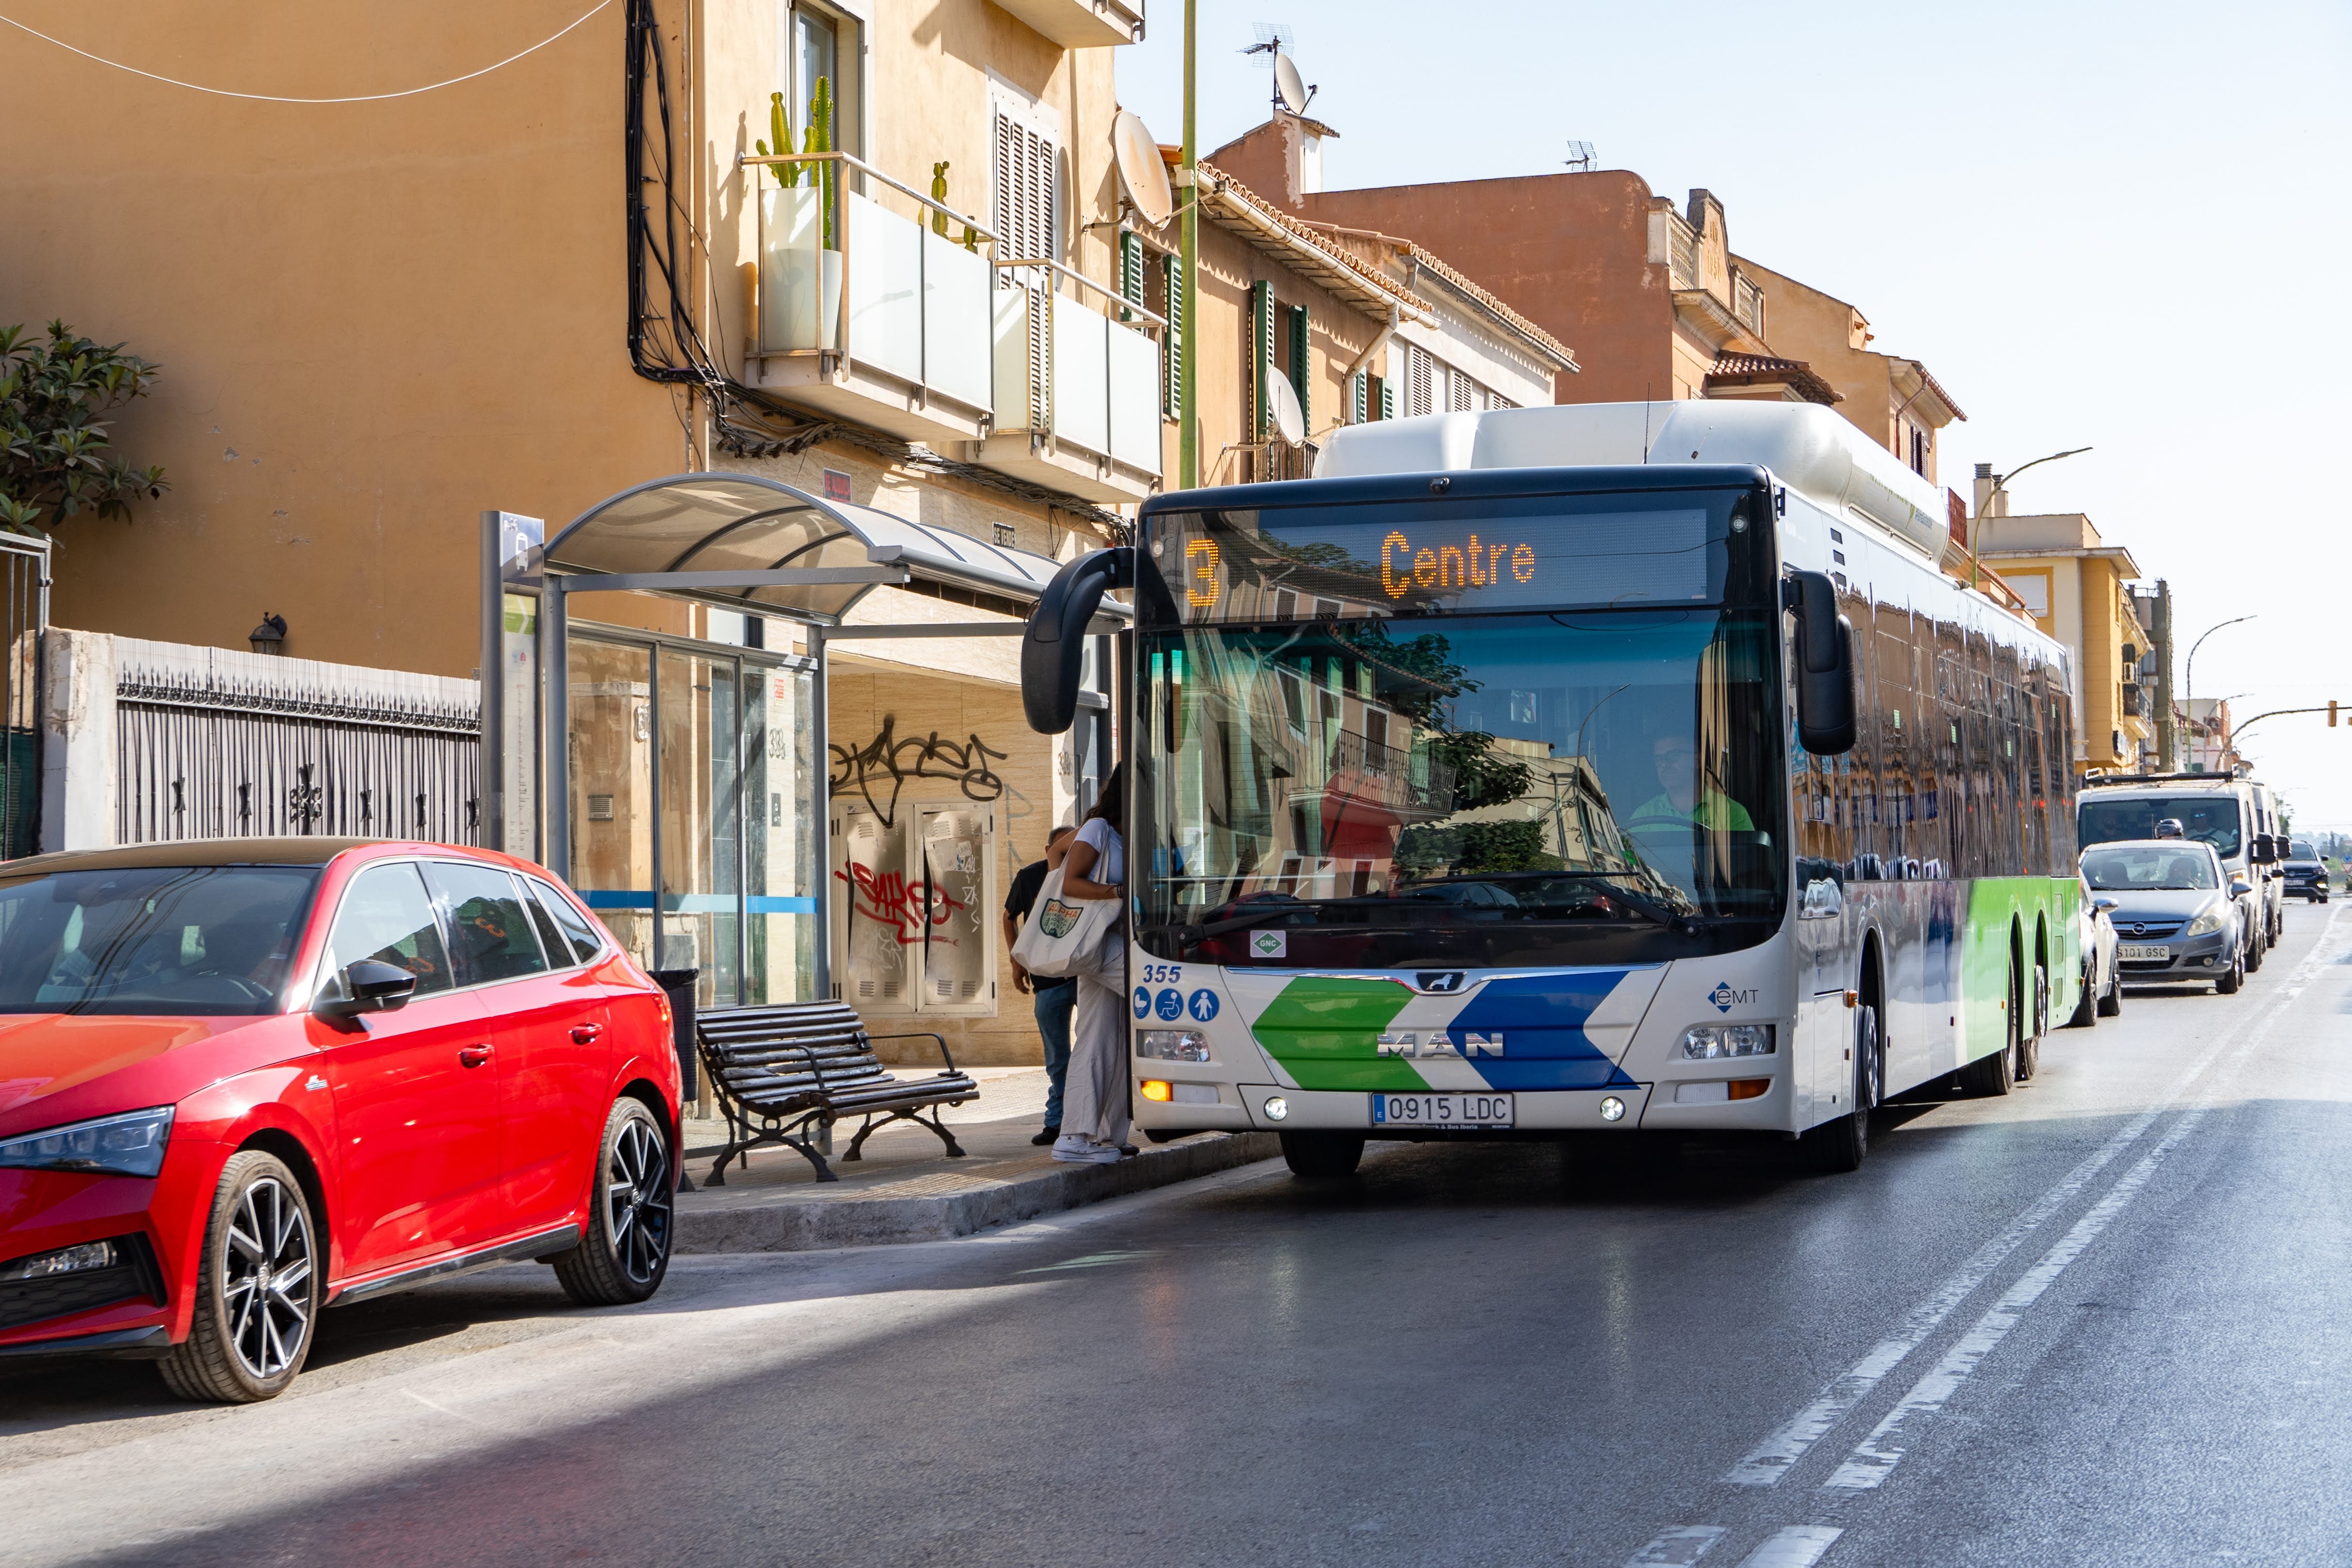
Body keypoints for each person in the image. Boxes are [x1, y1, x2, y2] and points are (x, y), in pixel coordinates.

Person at [1052, 764, 1132, 1166]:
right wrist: (1116, 890)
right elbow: (1068, 879)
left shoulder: (1120, 833)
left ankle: (1103, 1134)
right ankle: (1075, 1134)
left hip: (1110, 941)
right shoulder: (1098, 828)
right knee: (1151, 988)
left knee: (1107, 1037)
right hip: (1098, 944)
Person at [1003, 824, 1077, 1147]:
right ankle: (1057, 1120)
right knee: (1057, 1055)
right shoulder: (1031, 875)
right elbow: (1009, 915)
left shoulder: (1087, 872)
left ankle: (1092, 1120)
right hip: (1047, 980)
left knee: (1095, 1050)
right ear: (1048, 850)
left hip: (1084, 975)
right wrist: (1016, 959)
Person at [1628, 733, 1754, 832]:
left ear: (1698, 760)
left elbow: (1746, 863)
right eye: (1658, 758)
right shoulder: (1643, 816)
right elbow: (1631, 863)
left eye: (1673, 754)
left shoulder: (1732, 812)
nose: (1664, 764)